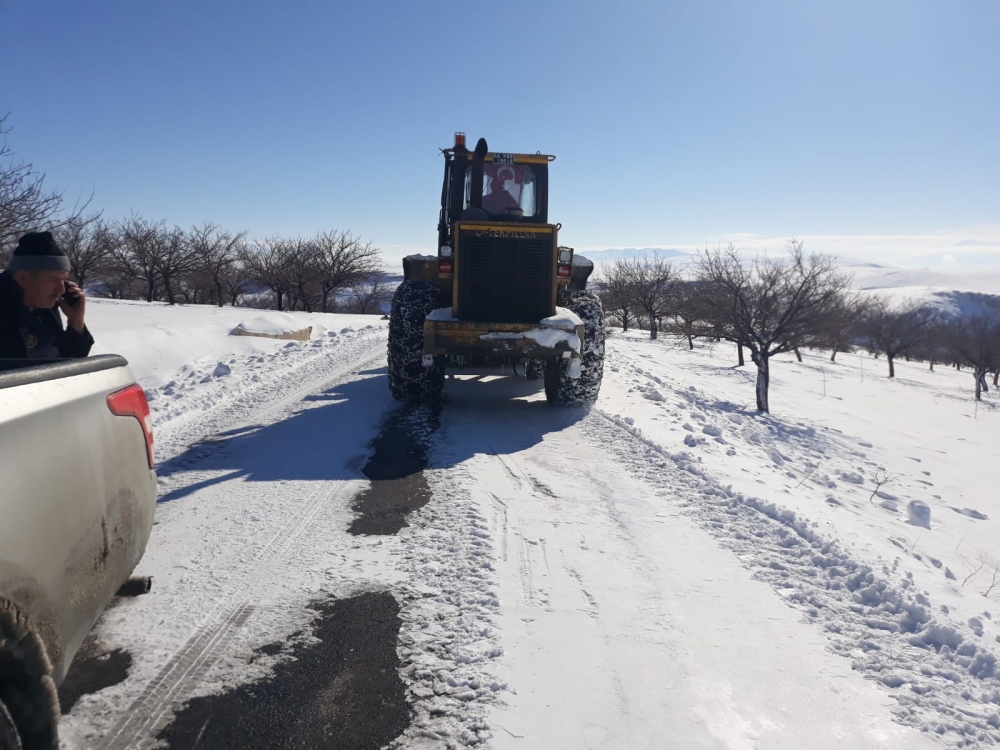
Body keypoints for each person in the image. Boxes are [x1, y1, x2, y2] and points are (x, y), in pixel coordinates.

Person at [0, 231, 94, 360]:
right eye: (53, 280)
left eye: (64, 280)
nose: (61, 289)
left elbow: (68, 365)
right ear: (22, 277)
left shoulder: (44, 306)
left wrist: (76, 321)